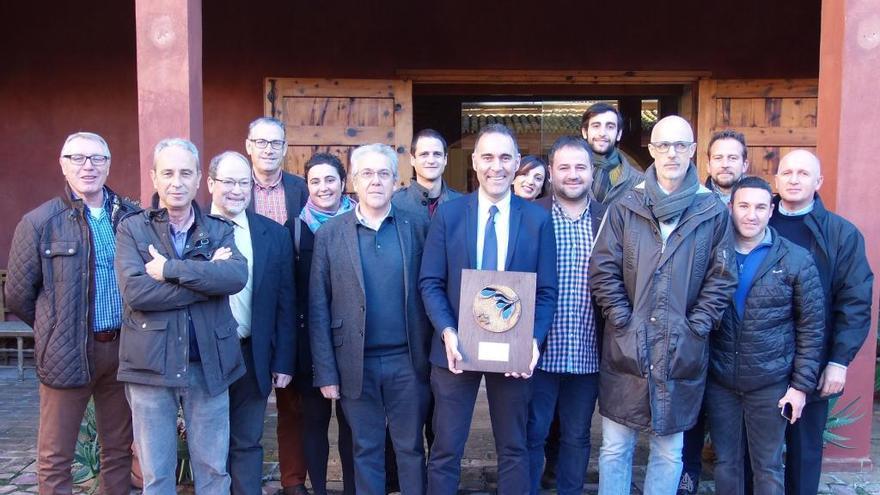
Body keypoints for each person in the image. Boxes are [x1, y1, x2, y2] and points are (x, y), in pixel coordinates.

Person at [589, 116, 736, 495]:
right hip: (627, 347)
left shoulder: (712, 210)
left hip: (681, 348)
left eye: (681, 145)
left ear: (692, 150)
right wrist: (623, 320)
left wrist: (696, 326)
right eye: (663, 145)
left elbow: (722, 278)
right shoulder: (625, 203)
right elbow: (603, 269)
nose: (672, 153)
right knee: (616, 447)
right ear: (651, 150)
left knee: (669, 450)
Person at [420, 123, 558, 494]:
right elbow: (430, 282)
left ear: (516, 164)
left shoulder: (537, 220)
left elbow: (546, 291)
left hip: (513, 351)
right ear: (475, 164)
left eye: (504, 157)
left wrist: (533, 340)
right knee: (446, 448)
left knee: (514, 448)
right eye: (488, 157)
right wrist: (448, 332)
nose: (496, 166)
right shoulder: (448, 216)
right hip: (455, 348)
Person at [5, 132, 138, 494]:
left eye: (96, 158)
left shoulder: (129, 216)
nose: (87, 166)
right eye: (77, 158)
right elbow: (18, 294)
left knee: (118, 449)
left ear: (108, 164)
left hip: (122, 350)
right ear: (62, 164)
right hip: (66, 353)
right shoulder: (39, 222)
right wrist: (56, 327)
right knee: (55, 455)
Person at [115, 138, 248, 494]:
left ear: (199, 178)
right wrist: (205, 281)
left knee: (213, 470)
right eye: (168, 173)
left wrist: (170, 269)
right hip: (150, 364)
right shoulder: (133, 229)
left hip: (209, 363)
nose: (177, 181)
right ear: (154, 178)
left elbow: (235, 277)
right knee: (156, 473)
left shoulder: (218, 229)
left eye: (185, 173)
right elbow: (137, 292)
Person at [310, 144, 432, 495]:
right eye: (367, 173)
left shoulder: (417, 227)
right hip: (354, 365)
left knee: (409, 449)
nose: (375, 181)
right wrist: (327, 372)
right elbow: (319, 307)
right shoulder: (331, 234)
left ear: (396, 181)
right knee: (365, 449)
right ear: (353, 182)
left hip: (408, 362)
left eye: (384, 174)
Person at [706, 176, 824, 494]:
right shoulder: (712, 254)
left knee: (768, 467)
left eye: (760, 207)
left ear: (771, 211)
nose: (751, 214)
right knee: (726, 463)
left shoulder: (795, 259)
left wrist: (800, 387)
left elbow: (812, 328)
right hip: (721, 382)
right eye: (743, 205)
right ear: (730, 208)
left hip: (769, 384)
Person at [768, 150, 874, 495]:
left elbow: (854, 302)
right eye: (787, 172)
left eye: (803, 173)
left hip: (811, 360)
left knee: (804, 451)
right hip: (759, 359)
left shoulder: (841, 234)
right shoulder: (756, 220)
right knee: (755, 452)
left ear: (819, 182)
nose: (794, 179)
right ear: (776, 179)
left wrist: (838, 361)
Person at [206, 151, 296, 495]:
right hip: (203, 357)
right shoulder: (191, 228)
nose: (236, 190)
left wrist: (284, 359)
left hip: (251, 355)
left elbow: (286, 303)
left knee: (247, 442)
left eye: (243, 182)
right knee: (208, 447)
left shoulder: (273, 235)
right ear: (211, 183)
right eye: (227, 181)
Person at [527, 136, 605, 495]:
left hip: (589, 353)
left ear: (592, 171)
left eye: (580, 167)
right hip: (537, 354)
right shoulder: (530, 215)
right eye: (564, 167)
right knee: (532, 434)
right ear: (551, 173)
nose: (572, 175)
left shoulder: (610, 219)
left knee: (577, 437)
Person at [678, 128, 751, 494]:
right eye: (718, 157)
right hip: (696, 323)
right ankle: (686, 481)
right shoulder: (692, 201)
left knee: (728, 422)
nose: (725, 163)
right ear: (707, 162)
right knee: (690, 411)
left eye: (732, 157)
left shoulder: (756, 203)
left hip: (741, 333)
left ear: (745, 162)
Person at [243, 117, 310, 495]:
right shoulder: (233, 189)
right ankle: (242, 480)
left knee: (292, 402)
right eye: (261, 142)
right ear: (248, 145)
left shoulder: (302, 190)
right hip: (244, 309)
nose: (268, 149)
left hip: (291, 309)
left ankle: (293, 481)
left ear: (286, 149)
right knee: (243, 406)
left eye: (276, 143)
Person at [295, 152, 356, 495]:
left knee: (351, 427)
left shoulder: (359, 222)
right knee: (314, 424)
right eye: (315, 181)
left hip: (351, 340)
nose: (323, 187)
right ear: (307, 186)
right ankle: (319, 488)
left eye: (330, 179)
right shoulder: (297, 228)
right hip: (310, 343)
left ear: (343, 183)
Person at [580, 102, 643, 205]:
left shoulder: (639, 181)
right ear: (585, 132)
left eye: (610, 127)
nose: (602, 133)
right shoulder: (566, 176)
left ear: (619, 134)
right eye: (596, 126)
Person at [392, 128, 463, 219]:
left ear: (445, 159)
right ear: (413, 159)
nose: (431, 161)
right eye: (424, 154)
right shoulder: (395, 203)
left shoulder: (461, 203)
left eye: (437, 154)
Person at [704, 129, 750, 204]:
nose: (725, 165)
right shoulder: (694, 202)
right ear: (708, 166)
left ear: (744, 165)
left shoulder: (761, 200)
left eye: (732, 158)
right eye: (718, 158)